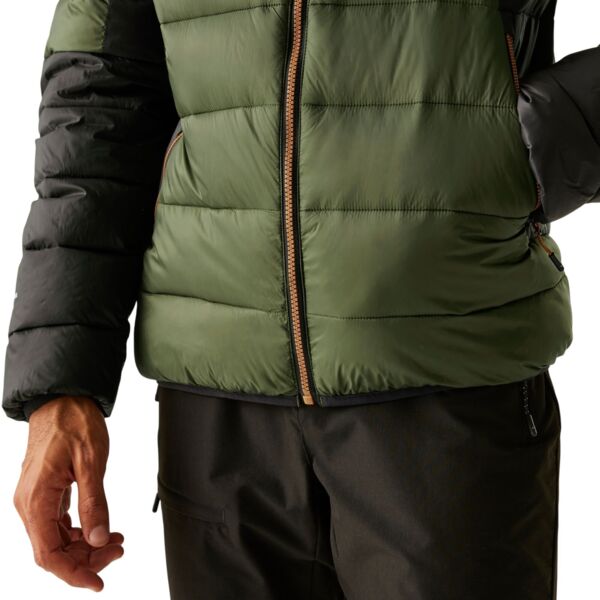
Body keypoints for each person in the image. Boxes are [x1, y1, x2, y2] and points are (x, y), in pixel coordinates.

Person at [3, 0, 598, 598]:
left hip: (447, 371)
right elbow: (100, 93)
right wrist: (61, 385)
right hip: (215, 407)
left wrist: (539, 140)